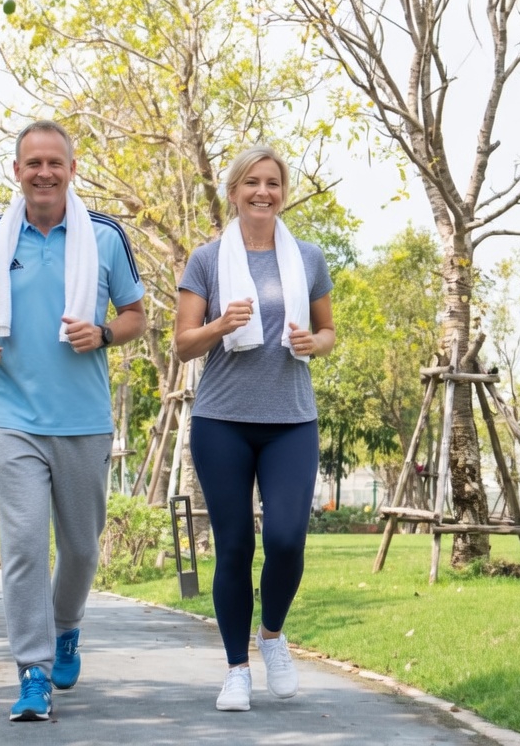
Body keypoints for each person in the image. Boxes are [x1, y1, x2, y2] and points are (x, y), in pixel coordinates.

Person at [0, 120, 145, 722]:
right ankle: (32, 671)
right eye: (32, 163)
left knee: (83, 551)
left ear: (71, 169)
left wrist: (105, 332)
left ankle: (67, 626)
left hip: (84, 420)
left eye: (54, 162)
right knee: (27, 546)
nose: (44, 173)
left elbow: (137, 314)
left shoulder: (106, 236)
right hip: (10, 417)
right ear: (16, 171)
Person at [174, 144, 336, 712]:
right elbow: (182, 342)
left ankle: (272, 635)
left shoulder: (309, 257)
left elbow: (328, 333)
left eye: (272, 183)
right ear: (234, 191)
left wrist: (313, 344)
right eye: (251, 183)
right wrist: (222, 324)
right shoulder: (206, 259)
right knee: (235, 546)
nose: (262, 192)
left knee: (288, 539)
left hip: (291, 420)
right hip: (222, 420)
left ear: (282, 193)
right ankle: (236, 670)